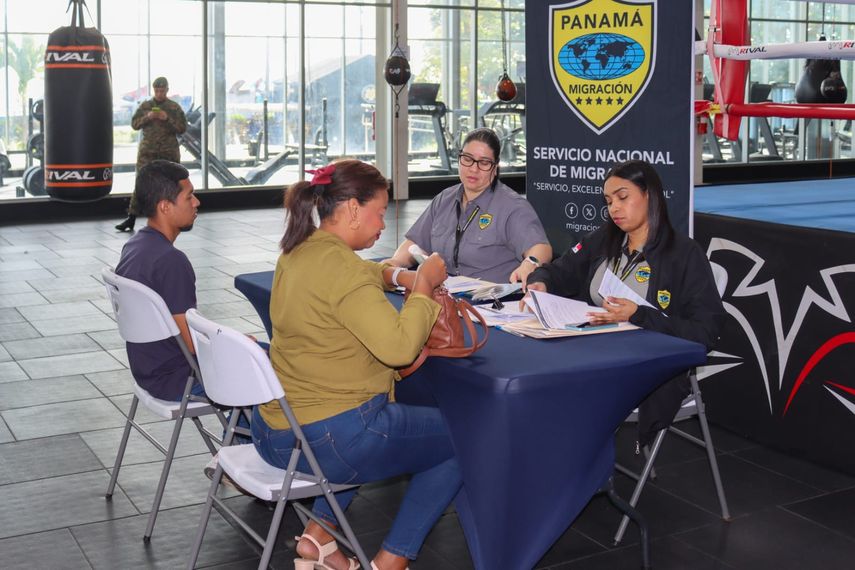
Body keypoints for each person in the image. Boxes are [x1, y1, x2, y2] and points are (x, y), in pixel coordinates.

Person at [252, 160, 461, 570]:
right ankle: (391, 562)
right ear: (351, 209)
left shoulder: (298, 251)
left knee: (375, 423)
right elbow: (399, 349)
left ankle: (319, 536)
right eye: (379, 212)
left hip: (275, 432)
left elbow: (357, 271)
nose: (383, 224)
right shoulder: (344, 272)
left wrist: (395, 275)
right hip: (330, 440)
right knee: (464, 439)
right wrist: (422, 285)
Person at [526, 159, 725, 444]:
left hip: (647, 365)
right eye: (609, 201)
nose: (614, 208)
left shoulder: (683, 254)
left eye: (622, 197)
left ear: (649, 195)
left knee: (562, 392)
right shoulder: (603, 239)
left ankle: (576, 457)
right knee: (539, 376)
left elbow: (706, 332)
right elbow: (561, 270)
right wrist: (541, 282)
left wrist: (638, 314)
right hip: (592, 350)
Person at [384, 127, 551, 284]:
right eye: (467, 159)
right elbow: (415, 242)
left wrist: (530, 263)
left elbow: (541, 248)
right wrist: (395, 262)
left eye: (484, 163)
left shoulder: (512, 207)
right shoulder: (444, 199)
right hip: (444, 294)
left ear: (495, 168)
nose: (473, 169)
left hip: (490, 299)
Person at [115, 160, 201, 400]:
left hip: (149, 370)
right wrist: (236, 344)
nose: (196, 202)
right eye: (189, 197)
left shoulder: (134, 246)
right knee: (272, 364)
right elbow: (193, 345)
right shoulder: (171, 261)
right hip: (182, 378)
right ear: (165, 206)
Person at [116, 77, 188, 232]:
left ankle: (175, 216)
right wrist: (147, 117)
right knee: (140, 182)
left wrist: (167, 118)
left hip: (168, 152)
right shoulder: (146, 106)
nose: (159, 93)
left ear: (167, 90)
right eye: (157, 91)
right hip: (148, 151)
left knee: (172, 184)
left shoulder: (174, 107)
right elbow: (135, 124)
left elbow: (182, 128)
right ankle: (131, 217)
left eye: (162, 91)